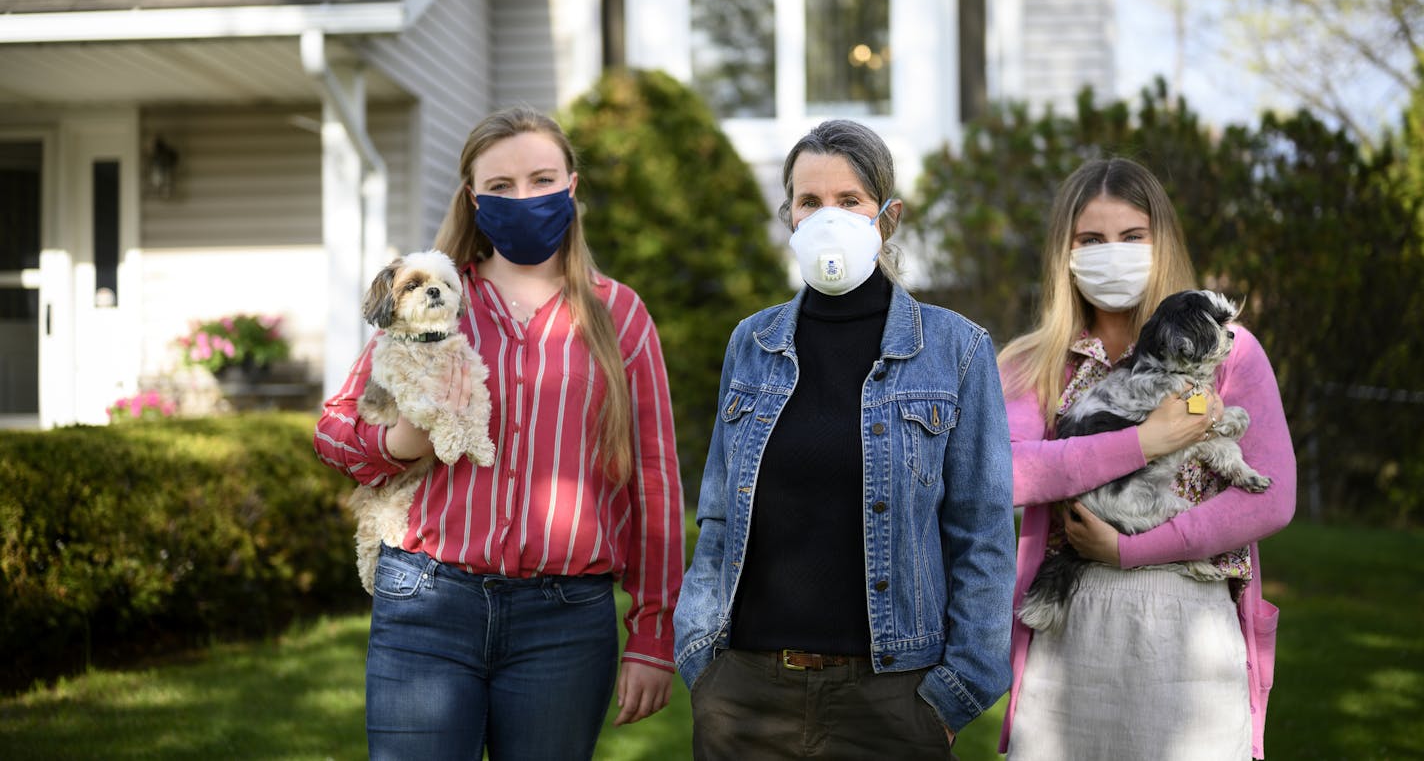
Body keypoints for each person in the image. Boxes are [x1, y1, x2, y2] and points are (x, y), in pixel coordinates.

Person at [313, 107, 684, 760]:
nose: (524, 198)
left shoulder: (619, 315)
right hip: (428, 602)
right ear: (474, 200)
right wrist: (396, 445)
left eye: (542, 179)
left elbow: (653, 481)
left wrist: (654, 633)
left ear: (571, 188)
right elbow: (334, 430)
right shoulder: (429, 300)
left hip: (566, 620)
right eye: (502, 186)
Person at [674, 119, 1016, 760]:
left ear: (887, 217)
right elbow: (719, 515)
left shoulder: (956, 349)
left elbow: (984, 534)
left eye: (849, 201)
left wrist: (955, 693)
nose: (828, 218)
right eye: (810, 202)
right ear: (790, 216)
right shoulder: (752, 343)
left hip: (891, 704)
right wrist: (701, 658)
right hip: (746, 698)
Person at [997, 157, 1296, 760]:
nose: (1114, 253)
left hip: (1193, 632)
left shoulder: (1230, 352)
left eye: (1133, 237)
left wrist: (1130, 547)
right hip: (1067, 633)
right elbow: (1004, 474)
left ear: (1163, 243)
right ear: (1066, 253)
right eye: (1092, 240)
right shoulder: (1032, 364)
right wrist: (1146, 442)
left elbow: (1270, 500)